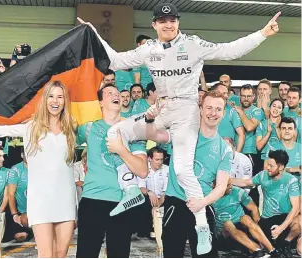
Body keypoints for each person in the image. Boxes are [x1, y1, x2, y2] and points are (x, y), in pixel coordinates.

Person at [78, 4, 280, 254]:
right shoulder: (149, 49)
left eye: (172, 20)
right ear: (154, 25)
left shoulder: (192, 44)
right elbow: (116, 60)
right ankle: (130, 189)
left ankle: (202, 225)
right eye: (162, 20)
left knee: (183, 170)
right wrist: (92, 31)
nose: (168, 24)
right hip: (162, 109)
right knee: (115, 133)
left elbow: (229, 51)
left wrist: (262, 34)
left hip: (186, 111)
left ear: (178, 22)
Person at [0, 81, 77, 258]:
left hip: (66, 201)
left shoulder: (71, 128)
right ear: (45, 100)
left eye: (60, 97)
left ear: (65, 101)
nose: (55, 101)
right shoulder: (31, 127)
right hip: (41, 202)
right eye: (51, 96)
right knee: (46, 255)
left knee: (61, 255)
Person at [145, 91, 232, 257]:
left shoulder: (224, 149)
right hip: (176, 204)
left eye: (218, 109)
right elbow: (152, 134)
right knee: (172, 254)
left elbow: (221, 187)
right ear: (200, 109)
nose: (213, 113)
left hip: (201, 205)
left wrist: (202, 202)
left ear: (224, 112)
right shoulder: (183, 131)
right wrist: (150, 119)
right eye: (209, 108)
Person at [75, 84, 147, 258]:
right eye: (109, 93)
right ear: (100, 102)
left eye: (117, 93)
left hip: (122, 202)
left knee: (119, 254)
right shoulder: (88, 128)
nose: (116, 95)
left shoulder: (133, 130)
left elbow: (143, 171)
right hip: (92, 199)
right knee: (86, 254)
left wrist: (121, 149)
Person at [232, 150, 300, 257]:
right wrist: (226, 180)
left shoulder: (291, 181)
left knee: (299, 220)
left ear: (281, 167)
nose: (267, 167)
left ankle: (285, 243)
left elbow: (295, 208)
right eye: (268, 164)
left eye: (271, 166)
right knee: (258, 246)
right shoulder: (263, 175)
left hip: (286, 218)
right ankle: (274, 245)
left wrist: (281, 228)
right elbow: (246, 182)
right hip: (268, 218)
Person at [213, 178, 280, 257]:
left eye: (230, 183)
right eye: (227, 185)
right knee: (228, 223)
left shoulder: (237, 191)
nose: (231, 186)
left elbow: (254, 209)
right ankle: (256, 249)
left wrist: (256, 230)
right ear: (215, 186)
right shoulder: (208, 195)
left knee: (246, 218)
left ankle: (272, 250)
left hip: (241, 227)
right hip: (224, 233)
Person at [232, 84, 265, 175]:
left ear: (253, 97)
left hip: (251, 153)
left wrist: (241, 112)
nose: (246, 98)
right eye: (243, 96)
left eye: (249, 96)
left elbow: (250, 127)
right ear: (239, 96)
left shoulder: (258, 111)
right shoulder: (233, 110)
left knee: (251, 184)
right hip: (235, 151)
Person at [136, 146, 168, 238]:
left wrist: (158, 204)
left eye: (162, 159)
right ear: (149, 158)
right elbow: (141, 187)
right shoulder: (144, 168)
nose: (160, 162)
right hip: (148, 198)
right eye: (157, 159)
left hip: (162, 199)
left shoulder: (167, 169)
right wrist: (150, 192)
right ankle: (144, 229)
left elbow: (166, 191)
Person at [7, 149, 32, 241]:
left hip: (40, 210)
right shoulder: (16, 170)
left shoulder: (41, 167)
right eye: (27, 153)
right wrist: (15, 215)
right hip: (23, 212)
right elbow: (10, 194)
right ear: (22, 155)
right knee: (20, 236)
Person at [213, 82, 245, 152]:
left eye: (226, 93)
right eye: (223, 93)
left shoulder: (231, 111)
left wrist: (237, 155)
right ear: (215, 94)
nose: (226, 96)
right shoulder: (208, 111)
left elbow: (241, 135)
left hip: (227, 151)